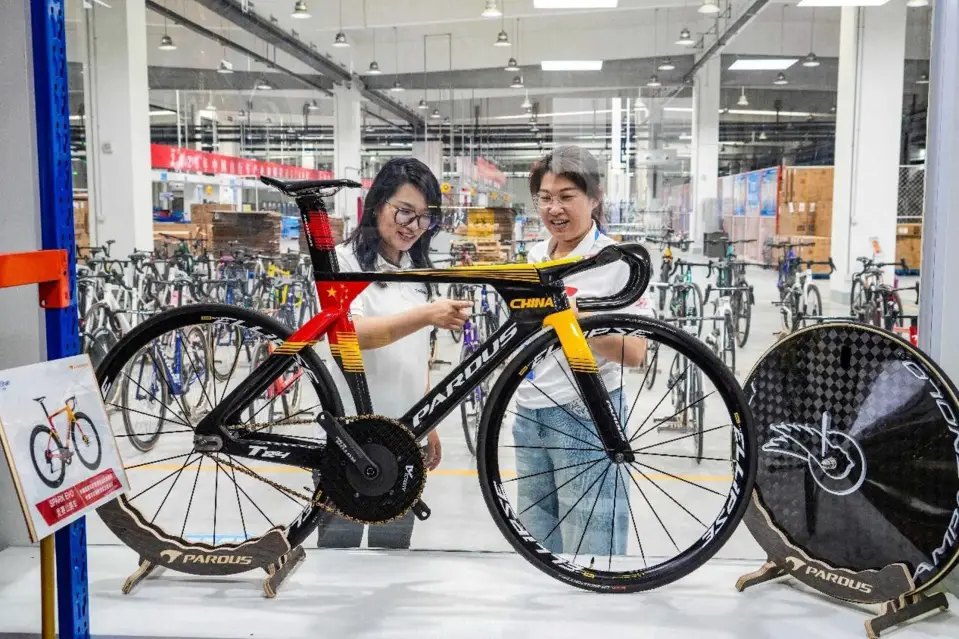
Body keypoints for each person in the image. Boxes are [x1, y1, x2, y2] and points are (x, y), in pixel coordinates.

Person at [316, 157, 472, 549]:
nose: (413, 226)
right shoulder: (342, 263)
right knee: (339, 555)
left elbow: (414, 355)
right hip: (348, 435)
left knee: (392, 554)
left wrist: (428, 422)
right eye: (404, 211)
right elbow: (349, 336)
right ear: (377, 204)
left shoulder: (416, 272)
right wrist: (426, 315)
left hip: (403, 439)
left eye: (424, 218)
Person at [513, 145, 652, 556]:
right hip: (527, 412)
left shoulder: (615, 262)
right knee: (537, 545)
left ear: (594, 198)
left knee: (595, 553)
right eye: (545, 197)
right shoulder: (537, 256)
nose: (554, 208)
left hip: (586, 415)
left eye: (567, 196)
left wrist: (575, 317)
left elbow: (636, 352)